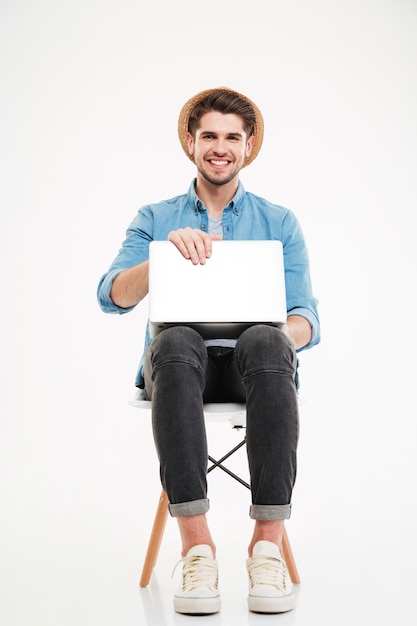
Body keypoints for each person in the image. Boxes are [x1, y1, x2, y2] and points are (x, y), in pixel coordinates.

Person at [97, 87, 320, 615]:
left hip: (257, 370)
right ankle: (197, 549)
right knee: (174, 339)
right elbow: (112, 297)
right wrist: (161, 260)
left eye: (232, 138)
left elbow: (307, 319)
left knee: (267, 337)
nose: (220, 148)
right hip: (179, 369)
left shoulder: (280, 221)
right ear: (191, 144)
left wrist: (271, 337)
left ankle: (266, 547)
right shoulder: (155, 216)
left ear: (248, 147)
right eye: (209, 137)